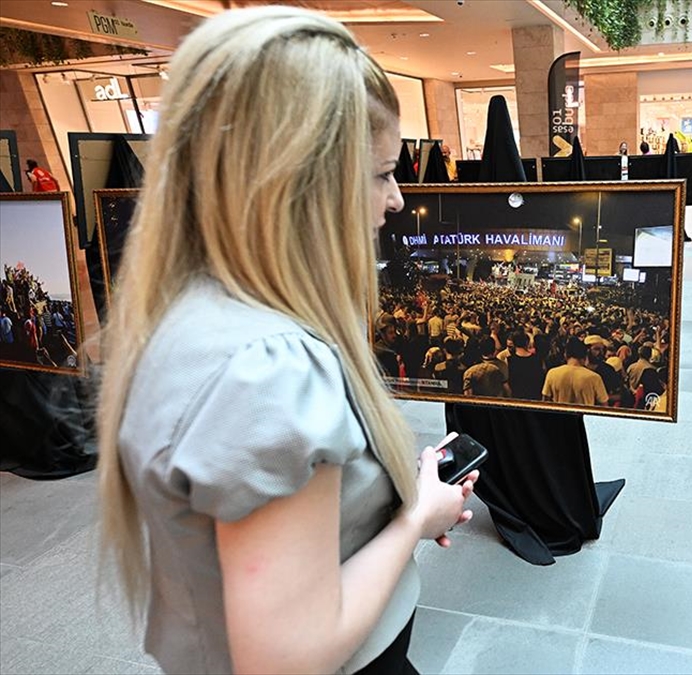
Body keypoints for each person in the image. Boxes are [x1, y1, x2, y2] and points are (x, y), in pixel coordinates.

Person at [95, 8, 476, 675]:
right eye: (383, 173)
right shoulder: (267, 367)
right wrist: (413, 520)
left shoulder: (182, 314)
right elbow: (286, 658)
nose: (396, 200)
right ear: (303, 183)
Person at [542, 336, 607, 405]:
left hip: (559, 415)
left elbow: (545, 401)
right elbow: (604, 405)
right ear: (585, 355)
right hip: (583, 414)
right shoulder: (594, 377)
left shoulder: (552, 373)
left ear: (565, 354)